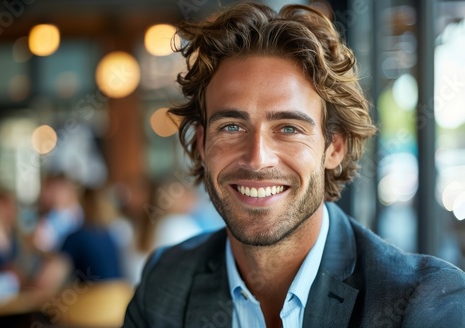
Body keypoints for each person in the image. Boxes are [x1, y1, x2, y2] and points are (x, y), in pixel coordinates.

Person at [123, 3, 465, 328]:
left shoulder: (423, 304)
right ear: (200, 145)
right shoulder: (164, 282)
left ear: (334, 147)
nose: (257, 158)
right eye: (231, 127)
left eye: (288, 128)